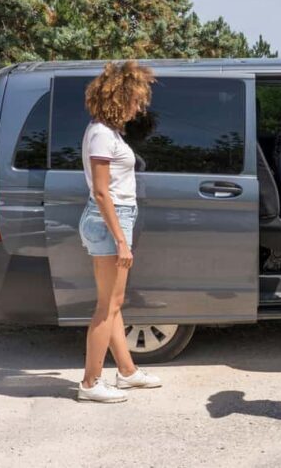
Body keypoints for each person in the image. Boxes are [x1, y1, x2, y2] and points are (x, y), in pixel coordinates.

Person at [77, 61, 162, 403]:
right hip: (109, 219)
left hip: (114, 218)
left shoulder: (109, 133)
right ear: (119, 97)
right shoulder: (100, 133)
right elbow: (101, 192)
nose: (138, 107)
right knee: (106, 306)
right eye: (135, 100)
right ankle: (90, 382)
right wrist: (121, 240)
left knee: (113, 303)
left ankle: (126, 371)